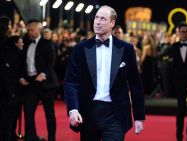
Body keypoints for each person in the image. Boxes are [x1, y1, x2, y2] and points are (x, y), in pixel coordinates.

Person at [64, 5, 145, 141]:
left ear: (112, 23)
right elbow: (70, 82)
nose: (98, 21)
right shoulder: (80, 48)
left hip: (116, 113)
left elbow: (135, 84)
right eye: (96, 18)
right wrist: (73, 109)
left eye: (103, 19)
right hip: (88, 112)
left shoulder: (126, 49)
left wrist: (138, 116)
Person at [20, 20, 58, 141]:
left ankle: (52, 138)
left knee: (49, 114)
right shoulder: (25, 43)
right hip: (31, 82)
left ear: (38, 29)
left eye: (32, 30)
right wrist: (22, 76)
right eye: (28, 30)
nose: (29, 32)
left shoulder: (47, 43)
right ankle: (31, 137)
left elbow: (52, 61)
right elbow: (21, 62)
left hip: (46, 83)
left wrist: (43, 73)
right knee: (28, 111)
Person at [1, 35, 24, 141]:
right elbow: (7, 75)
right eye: (20, 42)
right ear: (15, 43)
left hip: (16, 90)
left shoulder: (19, 54)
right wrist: (11, 92)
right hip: (10, 91)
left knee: (14, 115)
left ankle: (11, 135)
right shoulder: (10, 55)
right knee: (9, 117)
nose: (22, 44)